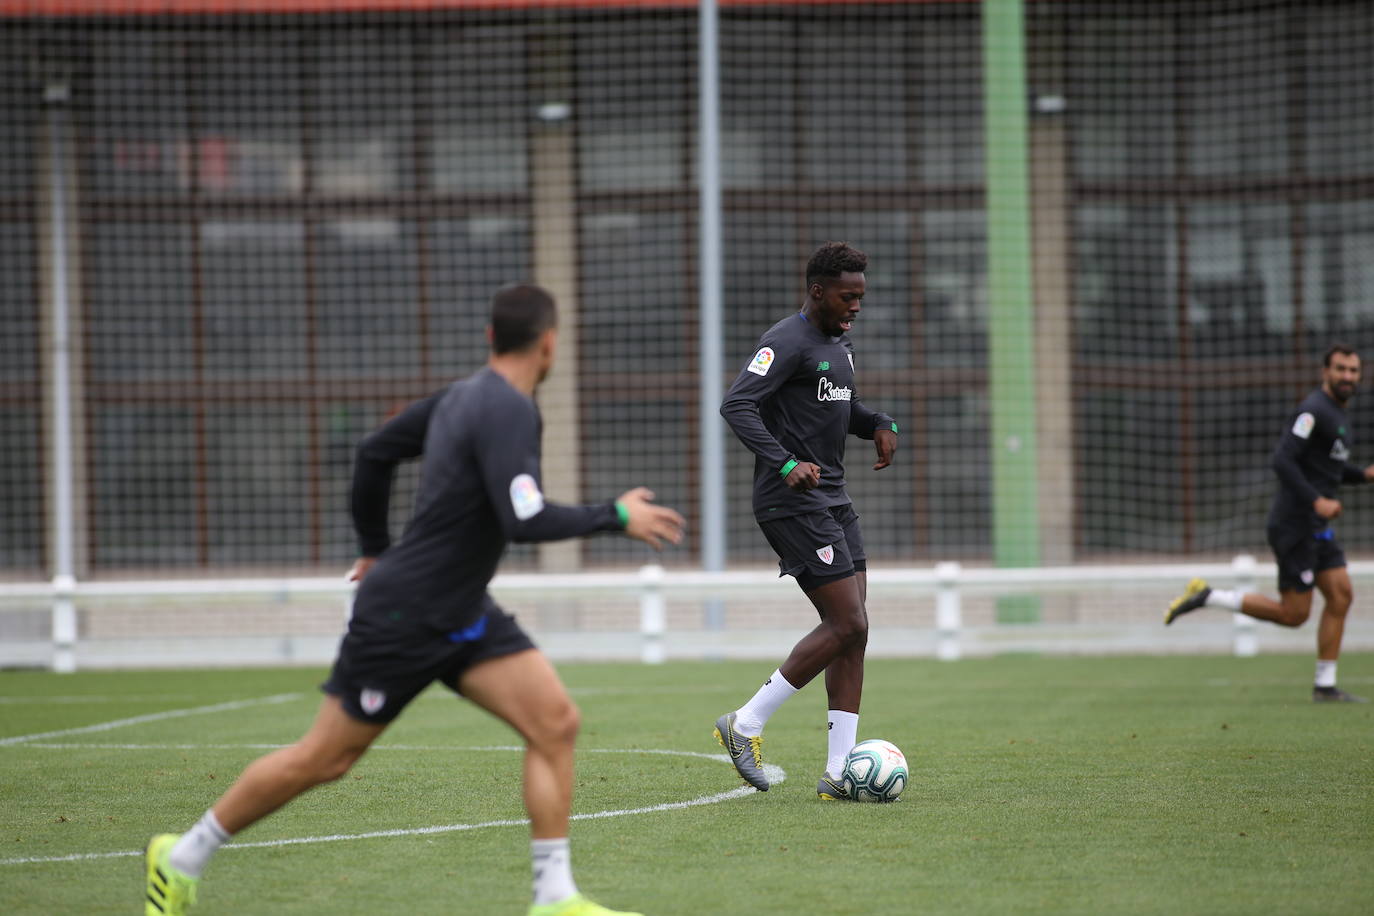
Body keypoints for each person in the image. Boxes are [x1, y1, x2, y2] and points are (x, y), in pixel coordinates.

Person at [144, 284, 685, 916]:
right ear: (548, 343)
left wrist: (374, 548)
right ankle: (181, 858)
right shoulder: (509, 408)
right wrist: (614, 515)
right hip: (406, 614)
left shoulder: (460, 396)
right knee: (326, 758)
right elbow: (523, 517)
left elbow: (374, 452)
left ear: (490, 337)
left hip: (461, 610)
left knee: (554, 723)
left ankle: (554, 897)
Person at [713, 241, 898, 799]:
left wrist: (877, 421)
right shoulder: (784, 341)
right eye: (847, 296)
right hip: (790, 501)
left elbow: (839, 408)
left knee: (855, 632)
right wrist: (786, 462)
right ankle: (745, 723)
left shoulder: (840, 345)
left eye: (860, 296)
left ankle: (839, 773)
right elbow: (736, 405)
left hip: (833, 499)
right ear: (818, 291)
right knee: (848, 624)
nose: (856, 306)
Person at [1166, 343, 1372, 703]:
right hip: (1295, 525)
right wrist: (1317, 501)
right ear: (1325, 372)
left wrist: (1364, 475)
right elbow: (1282, 460)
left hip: (1317, 526)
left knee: (1341, 595)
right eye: (1340, 369)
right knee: (1294, 615)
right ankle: (1208, 596)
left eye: (1353, 371)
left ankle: (1325, 686)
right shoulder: (1312, 411)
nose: (1347, 376)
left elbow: (1328, 469)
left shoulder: (1338, 414)